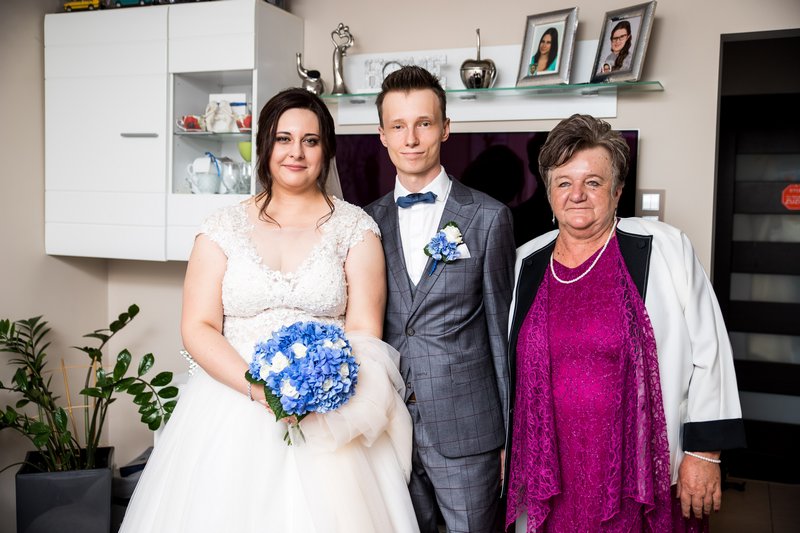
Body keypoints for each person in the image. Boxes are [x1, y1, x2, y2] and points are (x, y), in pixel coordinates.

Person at [119, 88, 419, 533]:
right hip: (229, 404)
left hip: (327, 411)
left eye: (311, 140)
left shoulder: (355, 229)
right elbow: (198, 326)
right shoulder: (222, 228)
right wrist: (260, 390)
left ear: (326, 150)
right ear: (265, 145)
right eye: (283, 139)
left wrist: (319, 389)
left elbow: (363, 329)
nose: (296, 152)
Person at [505, 114, 746, 532]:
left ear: (617, 191)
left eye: (593, 182)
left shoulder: (665, 247)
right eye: (563, 183)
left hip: (637, 469)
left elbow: (711, 351)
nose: (577, 195)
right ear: (549, 193)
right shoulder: (526, 260)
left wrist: (704, 453)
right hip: (552, 470)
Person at [365, 66, 516, 533]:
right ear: (382, 135)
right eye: (398, 126)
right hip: (387, 426)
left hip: (468, 430)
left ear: (446, 128)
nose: (411, 138)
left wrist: (510, 437)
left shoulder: (488, 217)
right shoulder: (364, 223)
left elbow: (502, 334)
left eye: (424, 123)